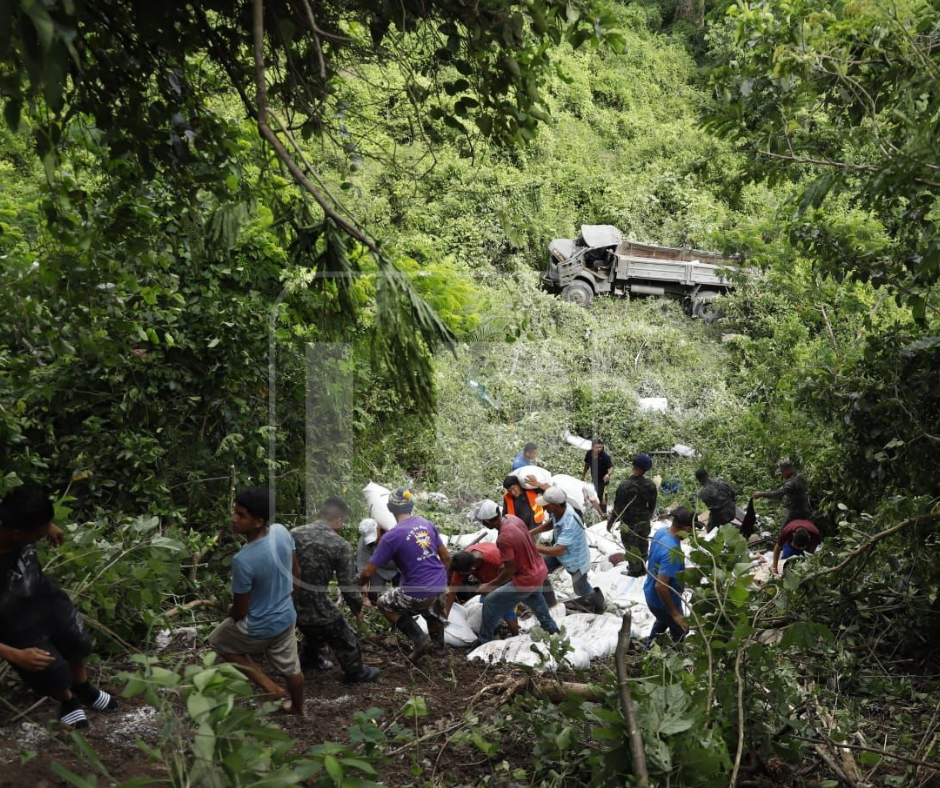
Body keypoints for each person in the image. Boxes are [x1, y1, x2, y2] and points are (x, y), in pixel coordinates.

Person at [0, 485, 119, 729]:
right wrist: (14, 654)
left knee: (77, 640)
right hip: (13, 620)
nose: (43, 536)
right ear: (16, 533)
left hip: (43, 595)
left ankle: (83, 687)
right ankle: (67, 699)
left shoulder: (13, 516)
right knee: (48, 670)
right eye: (38, 534)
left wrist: (47, 525)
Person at [208, 488, 305, 715]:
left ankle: (270, 688)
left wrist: (230, 610)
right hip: (287, 617)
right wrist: (289, 601)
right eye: (235, 512)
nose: (233, 518)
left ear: (258, 521)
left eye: (241, 515)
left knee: (218, 640)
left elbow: (241, 610)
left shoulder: (242, 560)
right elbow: (296, 571)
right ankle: (300, 709)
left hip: (259, 626)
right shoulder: (281, 531)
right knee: (292, 670)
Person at [291, 497, 380, 685]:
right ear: (339, 520)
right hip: (314, 605)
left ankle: (309, 657)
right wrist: (358, 609)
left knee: (315, 627)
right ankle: (356, 672)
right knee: (345, 637)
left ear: (319, 514)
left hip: (287, 603)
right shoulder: (340, 544)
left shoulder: (293, 534)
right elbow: (347, 586)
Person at [358, 488, 450, 663]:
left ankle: (419, 639)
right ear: (412, 506)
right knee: (433, 614)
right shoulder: (426, 523)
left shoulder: (391, 536)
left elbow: (368, 572)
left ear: (390, 509)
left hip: (416, 590)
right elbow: (445, 557)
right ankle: (439, 652)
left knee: (384, 604)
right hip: (439, 583)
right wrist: (441, 578)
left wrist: (360, 583)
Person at [470, 500, 560, 643]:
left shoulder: (504, 538)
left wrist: (490, 585)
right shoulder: (512, 518)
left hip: (526, 578)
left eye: (482, 522)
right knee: (536, 599)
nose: (483, 524)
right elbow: (519, 551)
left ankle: (484, 640)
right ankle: (553, 630)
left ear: (487, 521)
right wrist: (506, 566)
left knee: (491, 601)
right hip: (538, 569)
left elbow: (510, 570)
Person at [531, 487, 605, 613]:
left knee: (581, 589)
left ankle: (599, 605)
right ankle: (550, 603)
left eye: (546, 505)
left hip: (575, 559)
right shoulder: (559, 511)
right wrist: (532, 532)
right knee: (540, 570)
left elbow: (558, 550)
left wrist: (533, 546)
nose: (543, 508)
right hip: (562, 553)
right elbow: (552, 523)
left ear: (554, 505)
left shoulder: (569, 522)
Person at [644, 506, 695, 650]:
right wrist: (676, 614)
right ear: (686, 527)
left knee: (662, 621)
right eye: (691, 528)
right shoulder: (673, 552)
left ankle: (648, 649)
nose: (692, 532)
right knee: (681, 629)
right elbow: (661, 586)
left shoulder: (661, 533)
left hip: (651, 593)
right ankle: (675, 658)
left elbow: (658, 562)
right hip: (662, 599)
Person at [444, 543, 520, 635]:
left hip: (510, 578)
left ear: (473, 567)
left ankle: (515, 636)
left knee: (505, 606)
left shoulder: (495, 558)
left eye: (465, 573)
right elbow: (452, 592)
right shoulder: (462, 562)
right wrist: (444, 617)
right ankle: (490, 631)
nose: (462, 575)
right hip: (490, 580)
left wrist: (492, 587)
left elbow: (510, 573)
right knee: (486, 603)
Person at [607, 454, 658, 577]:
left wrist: (610, 522)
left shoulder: (625, 486)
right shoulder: (650, 485)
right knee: (643, 543)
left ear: (634, 466)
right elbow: (652, 504)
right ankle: (643, 566)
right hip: (644, 521)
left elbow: (618, 508)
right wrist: (648, 516)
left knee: (631, 547)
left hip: (629, 523)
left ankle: (635, 571)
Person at [752, 460, 812, 525]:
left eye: (783, 472)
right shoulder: (798, 476)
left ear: (789, 470)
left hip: (795, 512)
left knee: (783, 533)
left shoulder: (792, 481)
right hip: (804, 509)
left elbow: (779, 493)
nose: (782, 474)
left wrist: (761, 494)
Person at [356, 518, 399, 605]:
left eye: (375, 536)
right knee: (374, 595)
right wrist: (364, 597)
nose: (375, 540)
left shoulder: (394, 533)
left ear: (379, 528)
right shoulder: (364, 542)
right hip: (379, 569)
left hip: (399, 567)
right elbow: (363, 567)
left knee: (403, 595)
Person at [525, 473, 604, 518]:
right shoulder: (558, 481)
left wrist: (537, 483)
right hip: (569, 502)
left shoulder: (583, 497)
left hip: (573, 505)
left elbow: (555, 489)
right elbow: (555, 489)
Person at [582, 439, 614, 513]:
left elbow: (611, 468)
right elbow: (586, 465)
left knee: (602, 496)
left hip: (603, 480)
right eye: (597, 447)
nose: (599, 449)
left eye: (600, 447)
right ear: (592, 447)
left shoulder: (604, 456)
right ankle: (596, 511)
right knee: (594, 494)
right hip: (594, 478)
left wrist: (608, 474)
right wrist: (583, 475)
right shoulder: (589, 454)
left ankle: (603, 512)